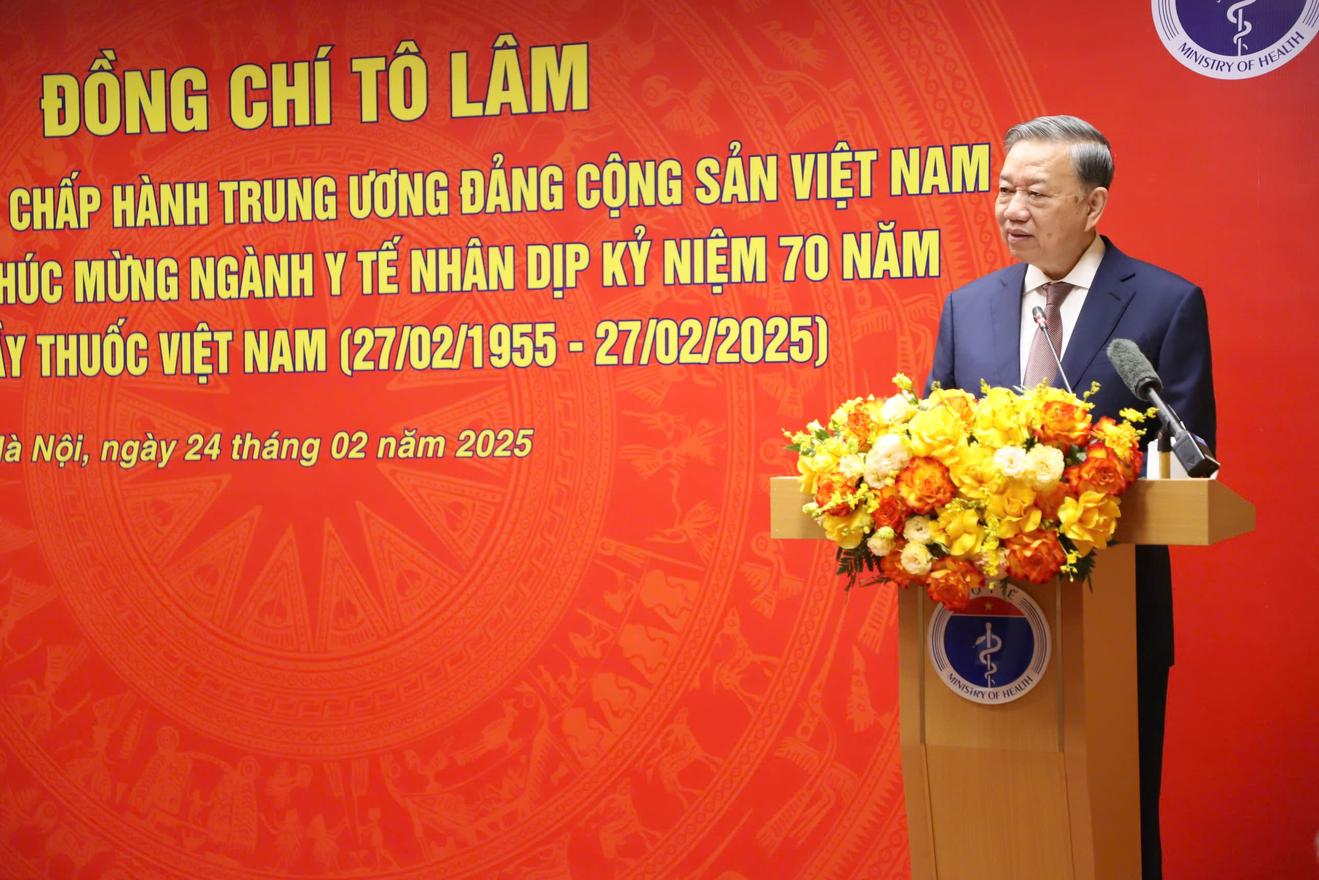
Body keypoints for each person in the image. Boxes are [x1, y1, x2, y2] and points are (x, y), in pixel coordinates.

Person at [925, 115, 1216, 880]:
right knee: (995, 817)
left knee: (1111, 811)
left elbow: (1186, 454)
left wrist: (1086, 477)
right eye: (1003, 190)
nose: (1011, 209)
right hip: (983, 614)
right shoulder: (967, 307)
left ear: (1092, 205)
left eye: (1036, 193)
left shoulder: (1163, 303)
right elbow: (933, 437)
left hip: (1111, 608)